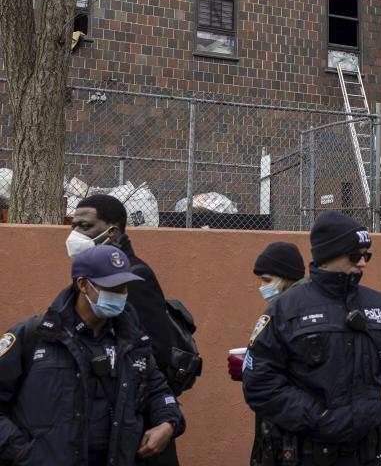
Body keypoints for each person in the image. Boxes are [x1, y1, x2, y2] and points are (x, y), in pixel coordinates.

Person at [243, 212, 381, 466]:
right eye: (355, 255)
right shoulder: (286, 309)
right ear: (328, 256)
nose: (362, 263)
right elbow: (260, 383)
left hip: (372, 454)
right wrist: (321, 418)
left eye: (366, 255)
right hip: (310, 455)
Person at [0, 245, 185, 465]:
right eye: (112, 288)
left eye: (123, 288)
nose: (120, 295)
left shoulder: (132, 340)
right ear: (83, 285)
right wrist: (23, 454)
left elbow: (158, 390)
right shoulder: (35, 336)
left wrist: (168, 424)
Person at [71, 194, 183, 466]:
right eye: (73, 226)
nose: (74, 234)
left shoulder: (136, 277)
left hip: (135, 433)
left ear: (112, 232)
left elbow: (157, 356)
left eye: (85, 227)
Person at [227, 242, 307, 466]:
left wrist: (250, 369)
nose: (262, 287)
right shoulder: (294, 306)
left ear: (287, 278)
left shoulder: (288, 310)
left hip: (290, 430)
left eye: (268, 280)